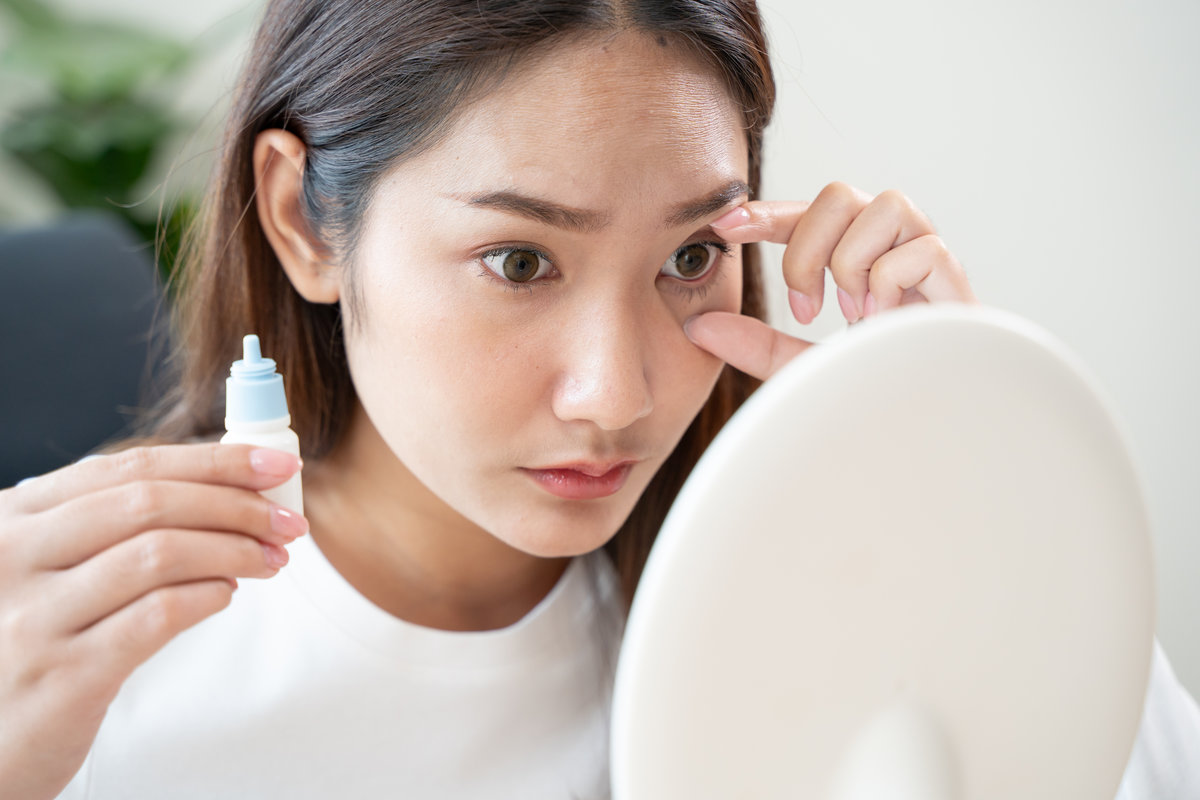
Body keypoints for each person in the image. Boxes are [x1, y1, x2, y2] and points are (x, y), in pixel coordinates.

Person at [0, 0, 1195, 797]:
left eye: (690, 256)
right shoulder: (77, 667)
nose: (616, 392)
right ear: (303, 220)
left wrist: (982, 495)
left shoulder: (806, 593)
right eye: (520, 261)